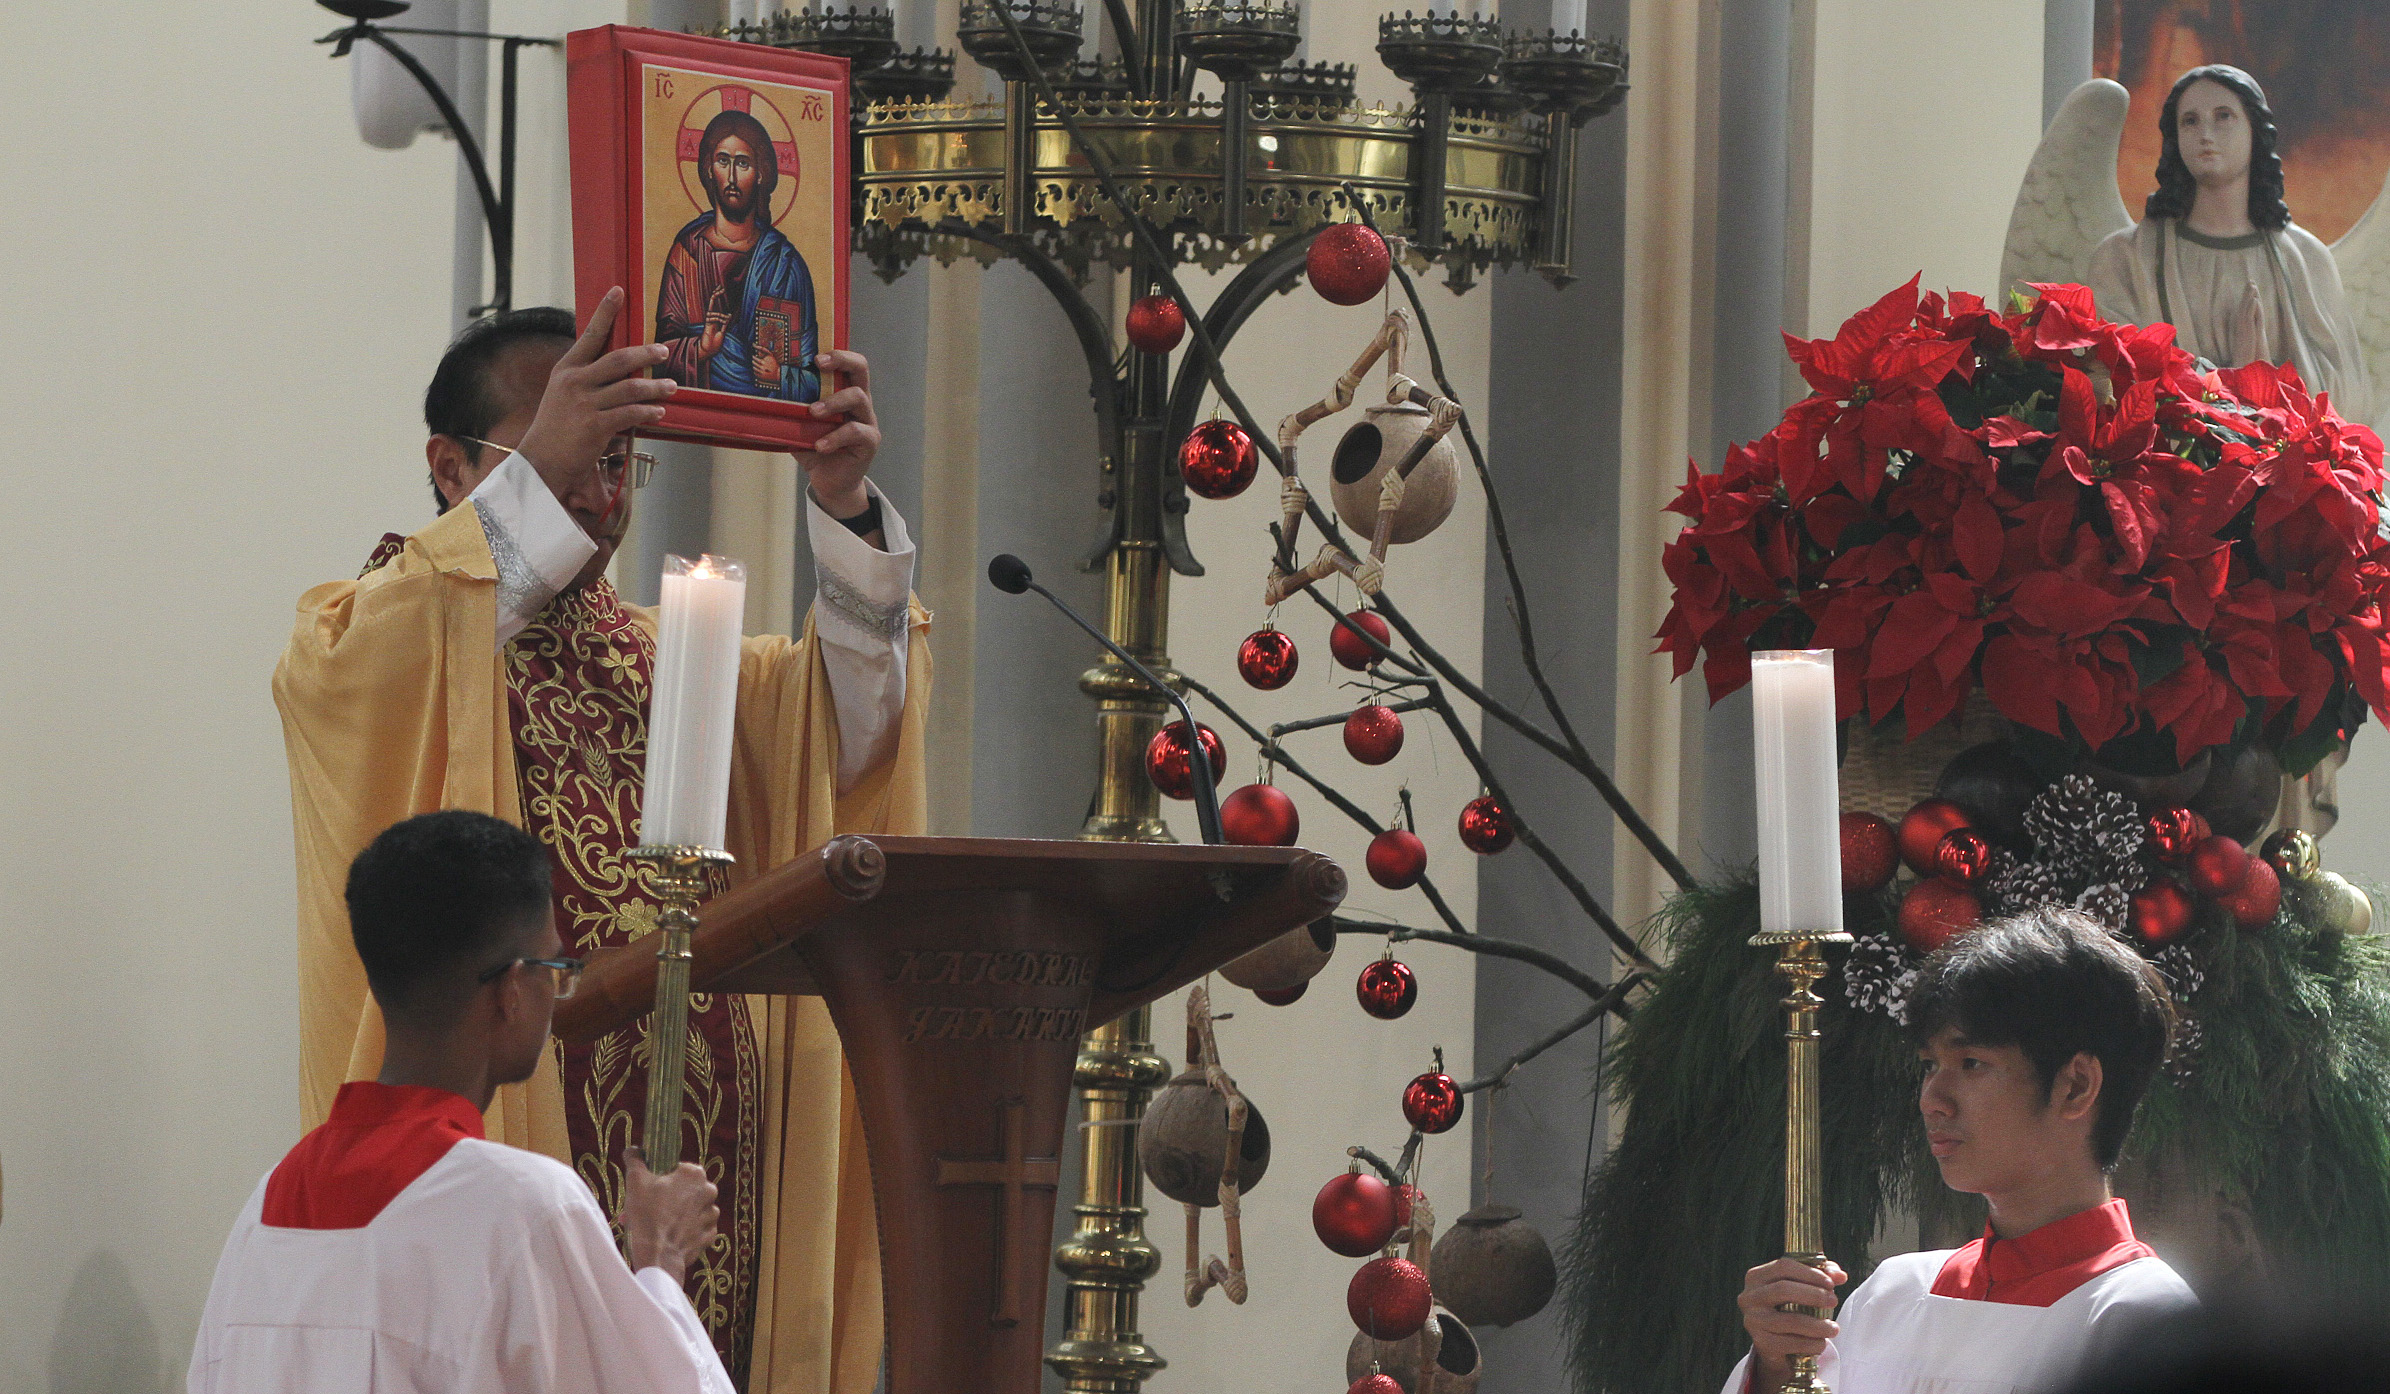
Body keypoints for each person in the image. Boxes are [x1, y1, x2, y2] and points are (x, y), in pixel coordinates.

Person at [272, 287, 924, 1391]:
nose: (597, 487)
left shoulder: (689, 658)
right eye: (562, 448)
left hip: (721, 1176)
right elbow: (407, 633)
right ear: (448, 465)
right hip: (504, 1159)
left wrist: (841, 501)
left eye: (618, 456)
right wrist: (548, 471)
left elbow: (847, 745)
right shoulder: (371, 638)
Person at [190, 811, 736, 1393]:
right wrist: (660, 1261)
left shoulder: (262, 1213)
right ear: (512, 990)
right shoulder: (526, 1209)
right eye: (556, 968)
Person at [1727, 911, 2197, 1394]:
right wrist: (1778, 1369)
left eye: (1971, 1063)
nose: (1932, 1100)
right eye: (1930, 1065)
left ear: (2075, 1085)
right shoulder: (1892, 1296)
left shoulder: (2147, 1321)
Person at [2087, 64, 2372, 426]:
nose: (2205, 134)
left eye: (2223, 116)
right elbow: (2109, 389)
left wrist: (2260, 375)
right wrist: (2233, 380)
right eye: (2190, 121)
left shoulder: (2305, 260)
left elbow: (2347, 406)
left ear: (2255, 131)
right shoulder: (2125, 259)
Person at [656, 107, 819, 401]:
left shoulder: (785, 264)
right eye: (723, 161)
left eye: (743, 163)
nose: (731, 176)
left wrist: (780, 376)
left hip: (767, 421)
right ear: (709, 169)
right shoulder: (688, 253)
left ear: (761, 173)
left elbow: (814, 382)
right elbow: (654, 357)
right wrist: (702, 349)